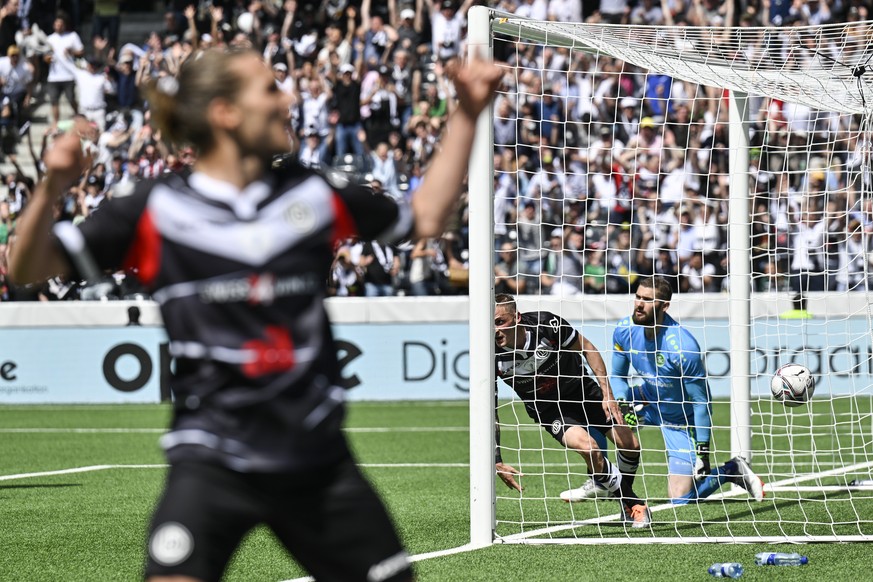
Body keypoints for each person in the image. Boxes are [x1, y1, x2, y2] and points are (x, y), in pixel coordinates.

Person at [9, 49, 504, 582]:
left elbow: (426, 216)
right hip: (211, 458)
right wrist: (52, 188)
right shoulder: (152, 209)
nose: (289, 99)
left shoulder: (316, 193)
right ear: (225, 112)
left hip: (317, 461)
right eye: (271, 89)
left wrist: (469, 112)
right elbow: (25, 266)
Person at [492, 293, 651, 528]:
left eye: (499, 322)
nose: (494, 330)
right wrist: (496, 459)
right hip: (548, 408)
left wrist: (608, 395)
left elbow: (587, 348)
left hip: (580, 389)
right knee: (589, 448)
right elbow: (489, 412)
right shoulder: (488, 355)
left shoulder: (546, 326)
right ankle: (633, 503)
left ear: (516, 317)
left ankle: (610, 487)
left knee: (630, 445)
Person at [609, 276, 765, 504]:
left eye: (648, 300)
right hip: (648, 399)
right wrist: (622, 403)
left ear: (665, 305)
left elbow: (701, 402)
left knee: (679, 498)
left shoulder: (683, 347)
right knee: (595, 405)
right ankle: (600, 479)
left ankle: (731, 470)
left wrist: (703, 451)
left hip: (680, 419)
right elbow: (617, 377)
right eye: (638, 297)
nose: (639, 304)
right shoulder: (624, 330)